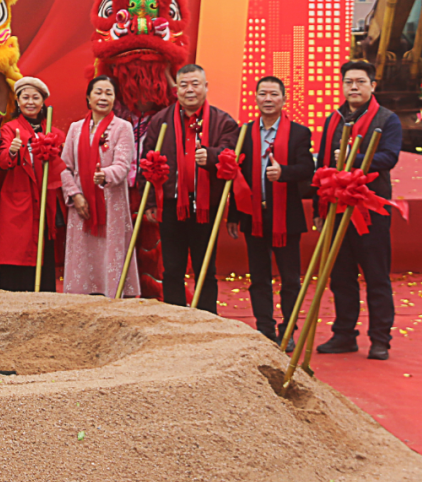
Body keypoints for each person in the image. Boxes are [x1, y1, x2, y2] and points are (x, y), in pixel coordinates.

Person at [315, 60, 402, 360]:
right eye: (349, 82)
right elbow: (322, 164)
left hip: (370, 210)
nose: (354, 87)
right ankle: (344, 335)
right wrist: (318, 208)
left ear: (372, 85)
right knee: (340, 275)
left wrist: (354, 157)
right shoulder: (334, 119)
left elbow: (389, 157)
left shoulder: (387, 119)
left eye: (360, 82)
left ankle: (380, 339)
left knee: (376, 276)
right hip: (336, 208)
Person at [141, 64, 238, 313]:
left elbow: (232, 154)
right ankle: (176, 318)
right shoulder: (160, 121)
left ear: (206, 87)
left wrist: (212, 156)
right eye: (184, 85)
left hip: (207, 205)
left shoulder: (223, 121)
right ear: (176, 90)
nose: (190, 90)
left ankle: (206, 317)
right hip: (170, 203)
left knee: (205, 267)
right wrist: (150, 202)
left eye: (195, 84)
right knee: (172, 267)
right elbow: (148, 162)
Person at [226, 77, 314, 347]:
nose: (267, 99)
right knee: (259, 278)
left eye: (274, 94)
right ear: (255, 98)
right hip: (253, 216)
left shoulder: (299, 133)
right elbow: (237, 176)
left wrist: (283, 173)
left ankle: (288, 331)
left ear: (283, 99)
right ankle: (264, 329)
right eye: (262, 93)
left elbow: (307, 169)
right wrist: (234, 214)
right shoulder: (244, 133)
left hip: (286, 218)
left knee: (290, 279)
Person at [61, 76, 139, 297]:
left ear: (115, 99)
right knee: (81, 254)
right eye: (98, 92)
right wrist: (75, 195)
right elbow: (64, 167)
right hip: (81, 205)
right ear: (88, 97)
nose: (103, 97)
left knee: (110, 252)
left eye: (108, 93)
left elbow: (123, 166)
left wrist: (104, 176)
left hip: (111, 202)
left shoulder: (123, 127)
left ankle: (111, 295)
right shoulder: (75, 128)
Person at [0, 77, 66, 291]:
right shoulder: (9, 129)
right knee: (16, 252)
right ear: (17, 102)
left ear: (43, 102)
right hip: (18, 201)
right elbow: (2, 161)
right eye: (25, 97)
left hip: (45, 201)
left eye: (36, 98)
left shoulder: (54, 132)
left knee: (44, 251)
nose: (30, 102)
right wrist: (13, 150)